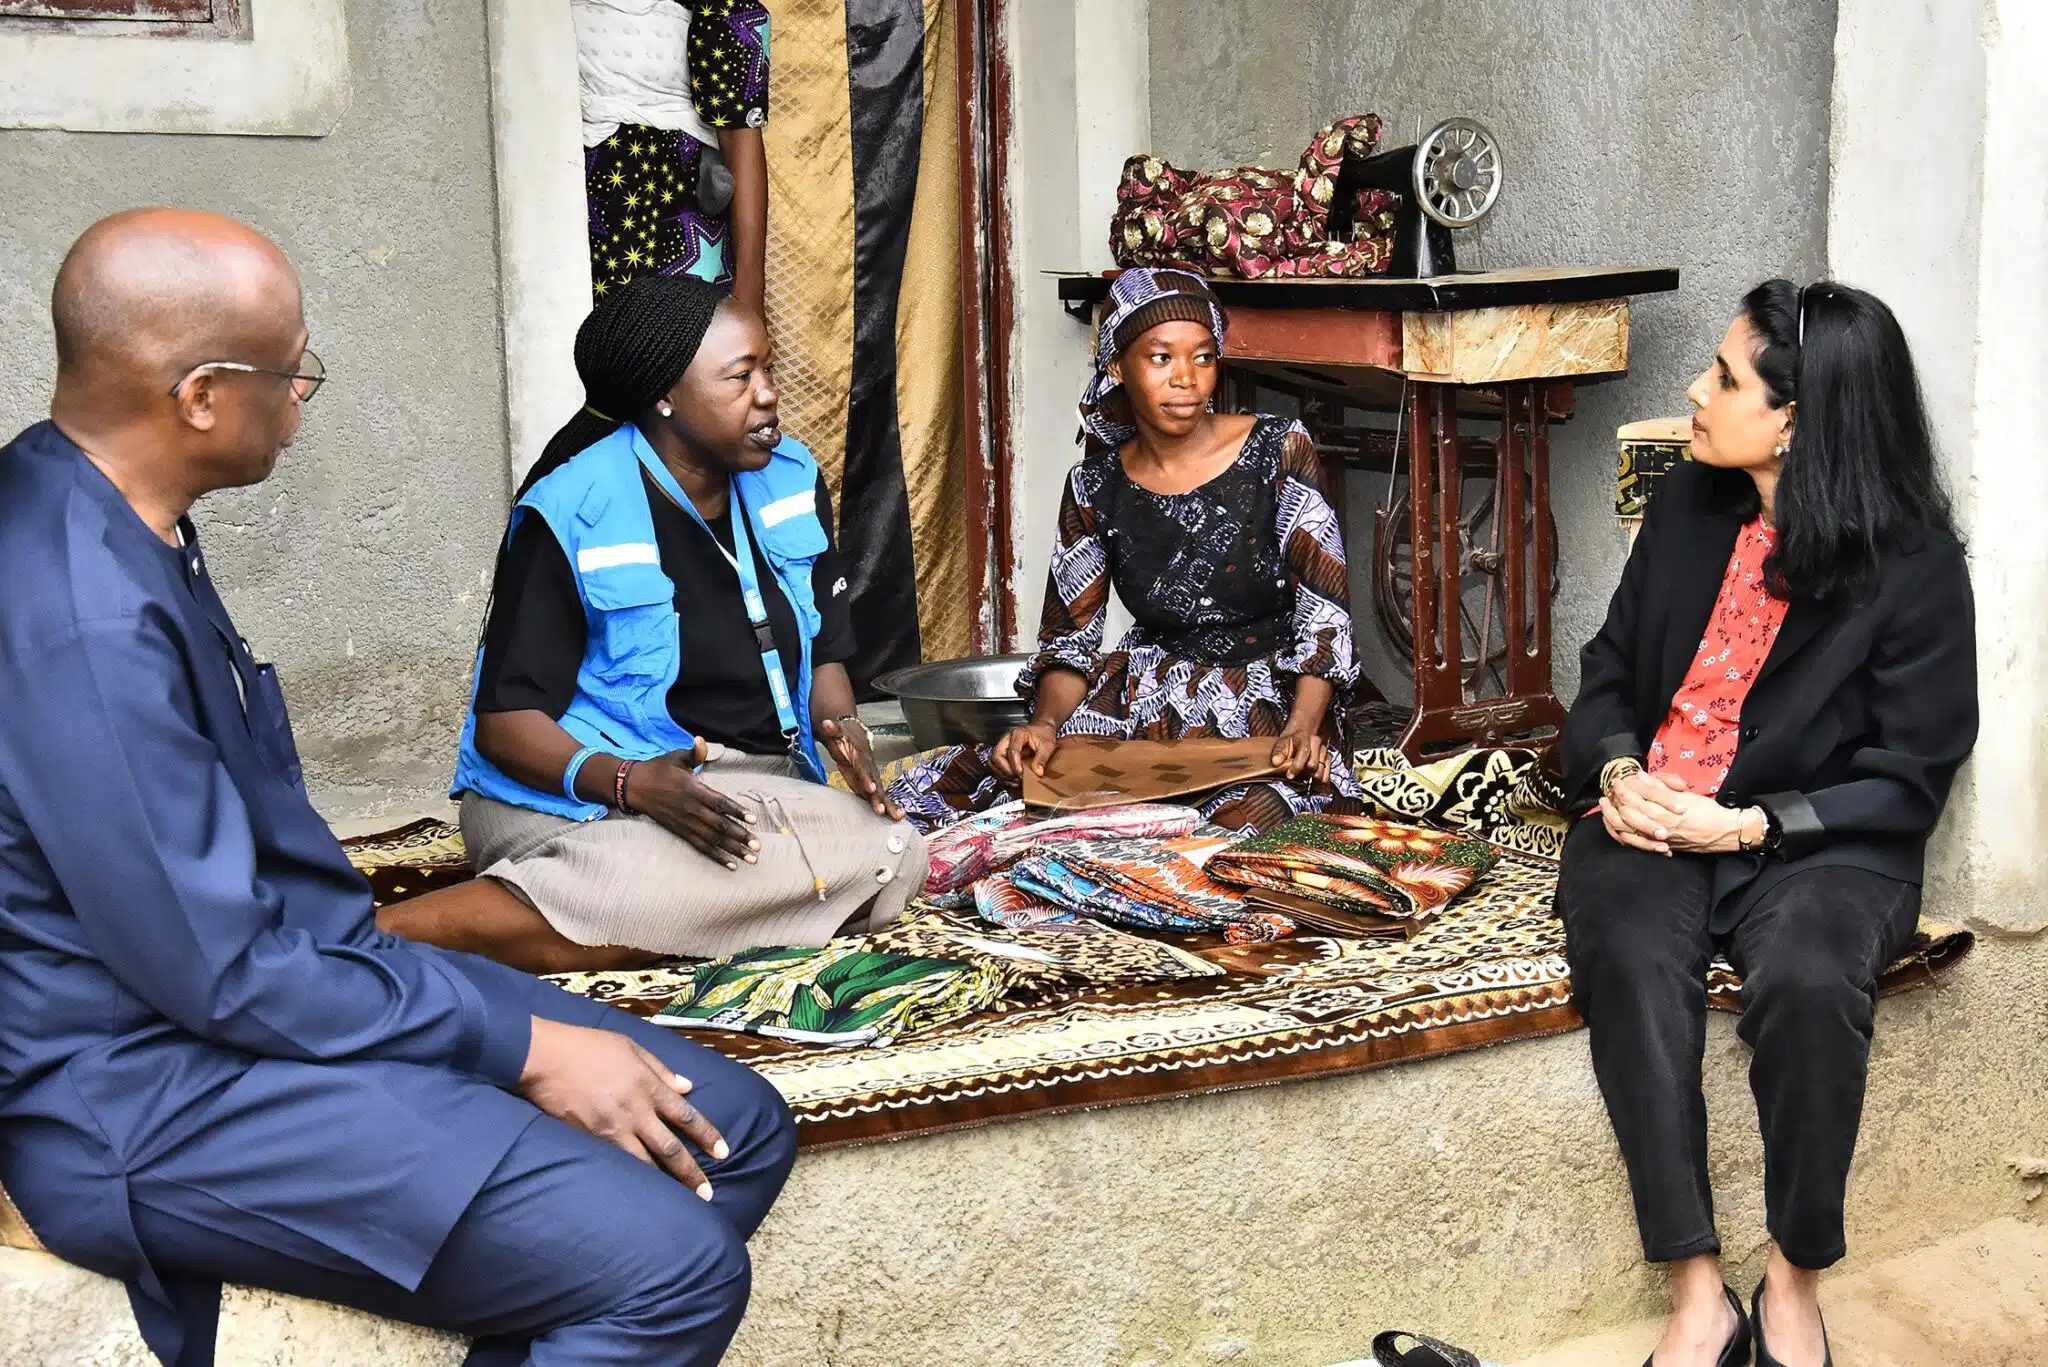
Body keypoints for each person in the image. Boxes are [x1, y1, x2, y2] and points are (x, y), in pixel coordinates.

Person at [0, 210, 796, 1367]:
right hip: (147, 1081)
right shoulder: (77, 611)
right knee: (670, 1269)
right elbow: (216, 969)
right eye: (291, 370)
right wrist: (519, 1043)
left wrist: (478, 1023)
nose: (303, 398)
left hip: (277, 990)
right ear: (202, 395)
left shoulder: (110, 504)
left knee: (731, 1127)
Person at [1556, 280, 1976, 1367]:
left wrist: (1745, 828)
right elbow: (1603, 679)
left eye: (1724, 376)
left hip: (1818, 841)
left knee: (1805, 977)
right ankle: (1697, 1296)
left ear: (1793, 419)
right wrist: (1614, 773)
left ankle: (1791, 1281)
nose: (1694, 393)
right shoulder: (1691, 510)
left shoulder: (1913, 566)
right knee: (1630, 954)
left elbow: (1908, 776)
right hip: (1657, 818)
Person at [383, 274, 924, 973]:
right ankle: (391, 933)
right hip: (569, 797)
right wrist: (630, 784)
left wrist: (842, 730)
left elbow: (824, 656)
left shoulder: (790, 478)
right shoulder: (572, 507)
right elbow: (506, 724)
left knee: (893, 853)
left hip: (737, 790)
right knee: (728, 869)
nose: (767, 394)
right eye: (740, 377)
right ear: (666, 396)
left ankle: (553, 913)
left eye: (767, 368)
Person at [888, 267, 1365, 835]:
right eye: (1161, 358)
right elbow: (1072, 642)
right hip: (1145, 698)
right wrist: (1043, 725)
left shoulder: (1279, 447)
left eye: (1203, 358)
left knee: (1243, 826)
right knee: (1010, 795)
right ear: (1117, 368)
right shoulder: (1094, 486)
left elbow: (1324, 615)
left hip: (1269, 700)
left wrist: (1304, 727)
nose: (1186, 379)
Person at [576, 0, 773, 318]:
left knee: (690, 351)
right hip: (571, 211)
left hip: (679, 218)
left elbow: (740, 132)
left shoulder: (718, 11)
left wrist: (749, 300)